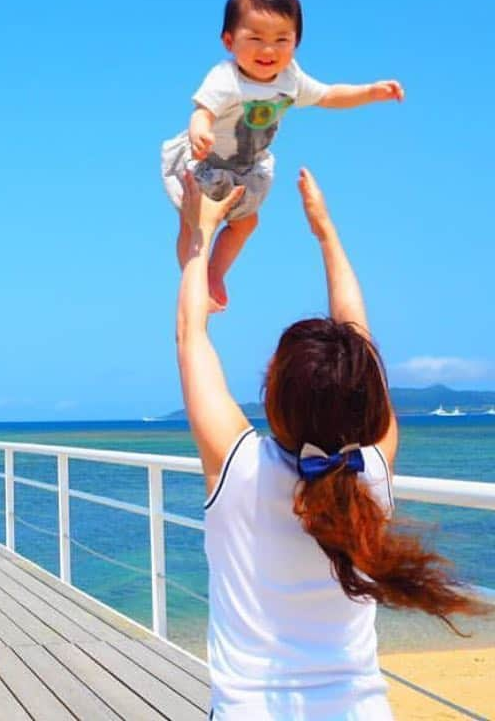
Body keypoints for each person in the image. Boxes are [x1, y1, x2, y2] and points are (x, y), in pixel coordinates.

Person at [175, 167, 487, 720]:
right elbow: (359, 338)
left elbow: (190, 332)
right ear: (368, 397)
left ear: (272, 395)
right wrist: (326, 232)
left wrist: (202, 233)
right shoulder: (370, 472)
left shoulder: (239, 465)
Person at [161, 0, 405, 312]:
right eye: (256, 38)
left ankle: (214, 274)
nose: (269, 50)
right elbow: (202, 111)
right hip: (207, 161)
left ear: (296, 43)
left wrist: (370, 92)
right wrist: (200, 131)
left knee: (246, 223)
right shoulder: (226, 78)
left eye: (281, 40)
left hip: (245, 168)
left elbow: (329, 95)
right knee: (195, 224)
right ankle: (194, 278)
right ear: (229, 41)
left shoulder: (290, 78)